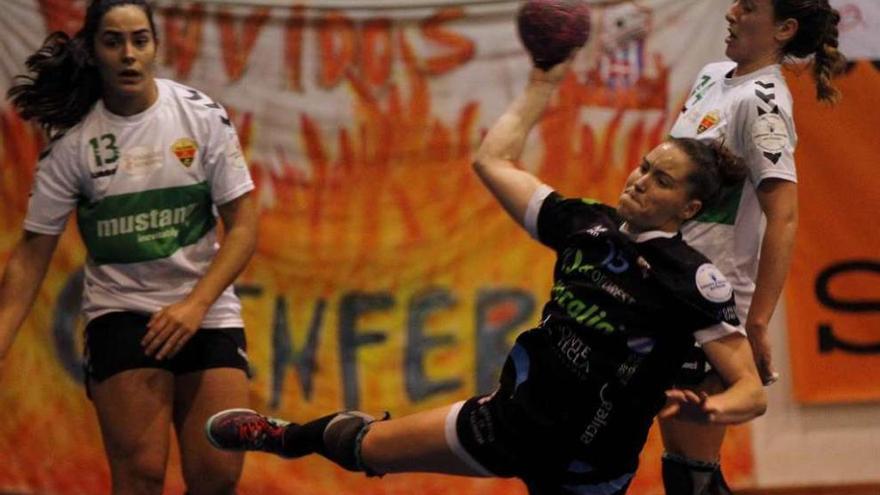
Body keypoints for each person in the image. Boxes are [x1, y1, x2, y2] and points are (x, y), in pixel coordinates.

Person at [203, 56, 766, 495]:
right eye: (644, 166)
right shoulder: (585, 226)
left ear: (688, 209)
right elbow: (492, 162)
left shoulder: (692, 281)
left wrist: (715, 408)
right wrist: (541, 87)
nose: (641, 180)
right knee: (367, 446)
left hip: (589, 464)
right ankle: (279, 434)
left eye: (662, 181)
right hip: (510, 421)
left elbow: (749, 391)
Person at [0, 1, 258, 494]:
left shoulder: (201, 118)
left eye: (140, 40)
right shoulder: (73, 145)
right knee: (140, 475)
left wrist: (195, 305)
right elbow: (32, 253)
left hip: (204, 312)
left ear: (156, 46)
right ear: (94, 52)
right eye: (113, 41)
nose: (129, 54)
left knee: (218, 475)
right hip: (122, 316)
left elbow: (244, 226)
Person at [659, 1, 846, 493]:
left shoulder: (763, 102)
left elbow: (782, 216)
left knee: (692, 474)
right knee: (678, 464)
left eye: (750, 7)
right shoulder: (714, 74)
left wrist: (757, 321)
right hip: (665, 284)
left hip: (707, 300)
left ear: (784, 29)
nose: (732, 12)